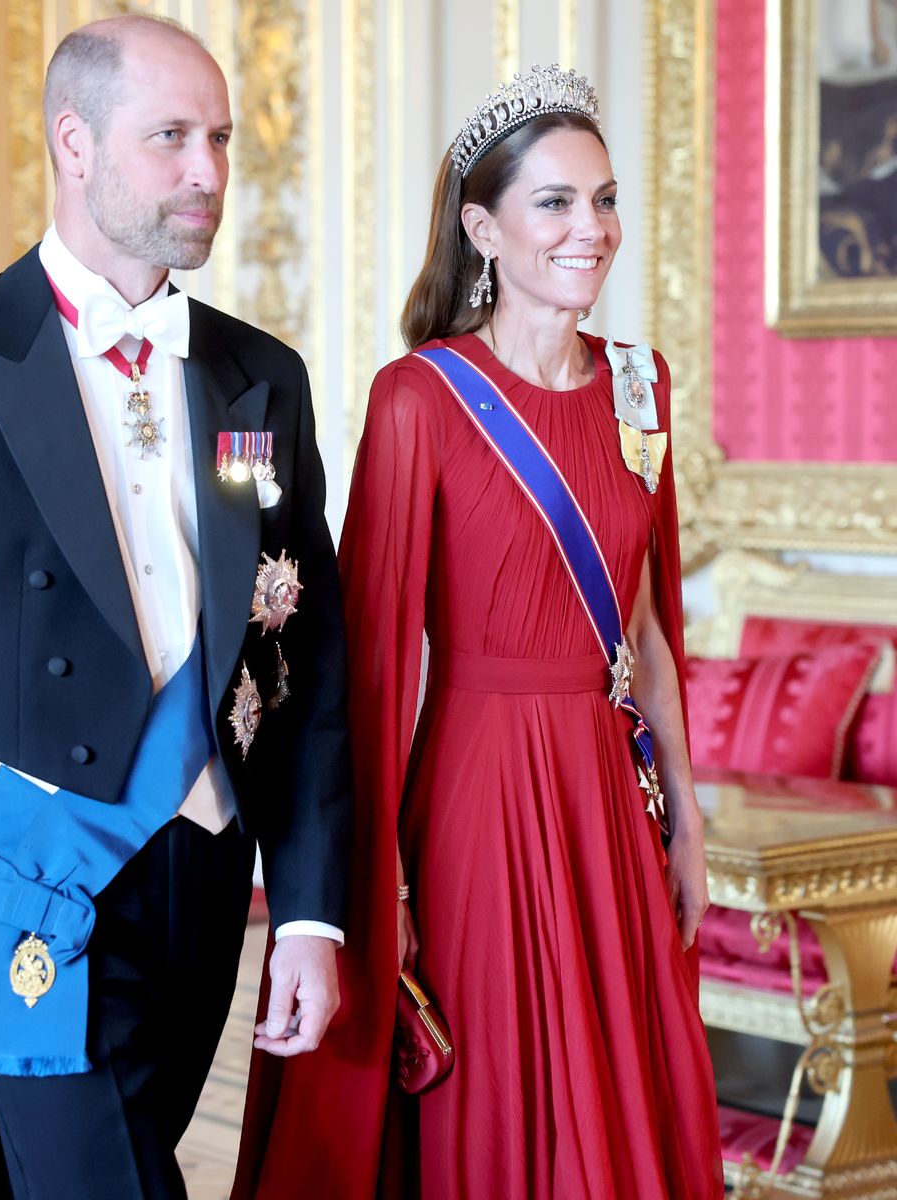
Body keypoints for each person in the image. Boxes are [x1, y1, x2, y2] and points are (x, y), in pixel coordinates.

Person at [0, 16, 351, 1200]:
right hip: (13, 873)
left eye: (221, 140)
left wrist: (307, 913)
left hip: (196, 878)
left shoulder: (258, 383)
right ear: (75, 143)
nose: (209, 171)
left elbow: (300, 663)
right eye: (171, 138)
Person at [234, 66, 724, 1199]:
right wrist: (380, 883)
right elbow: (371, 659)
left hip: (608, 787)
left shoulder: (642, 386)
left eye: (603, 200)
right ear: (481, 227)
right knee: (500, 1089)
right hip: (478, 795)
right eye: (553, 203)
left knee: (624, 1075)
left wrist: (687, 822)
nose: (589, 230)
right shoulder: (421, 398)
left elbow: (646, 631)